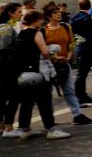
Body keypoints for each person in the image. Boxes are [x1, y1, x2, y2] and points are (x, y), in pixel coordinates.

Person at [10, 10, 71, 140]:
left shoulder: (21, 33)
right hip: (38, 72)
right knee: (44, 101)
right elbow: (44, 52)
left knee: (27, 102)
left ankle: (24, 128)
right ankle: (51, 129)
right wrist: (53, 54)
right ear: (36, 20)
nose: (42, 21)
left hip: (25, 73)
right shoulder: (36, 33)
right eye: (41, 19)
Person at [42, 3, 92, 125]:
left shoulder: (66, 27)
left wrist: (69, 56)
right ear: (49, 16)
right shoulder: (44, 31)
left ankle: (77, 115)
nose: (59, 14)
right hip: (50, 66)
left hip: (65, 63)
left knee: (69, 90)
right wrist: (54, 57)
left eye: (58, 12)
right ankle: (50, 120)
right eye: (55, 13)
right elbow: (43, 49)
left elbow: (71, 43)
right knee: (48, 93)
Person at [0, 2, 22, 135]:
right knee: (14, 96)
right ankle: (9, 127)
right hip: (8, 68)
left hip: (0, 67)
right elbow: (5, 50)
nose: (21, 14)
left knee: (2, 96)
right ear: (10, 13)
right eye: (19, 12)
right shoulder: (7, 29)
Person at [70, 0, 92, 103]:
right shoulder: (88, 19)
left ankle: (82, 94)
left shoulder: (74, 18)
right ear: (89, 6)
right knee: (82, 74)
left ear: (79, 6)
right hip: (87, 48)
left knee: (82, 73)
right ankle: (79, 96)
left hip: (79, 46)